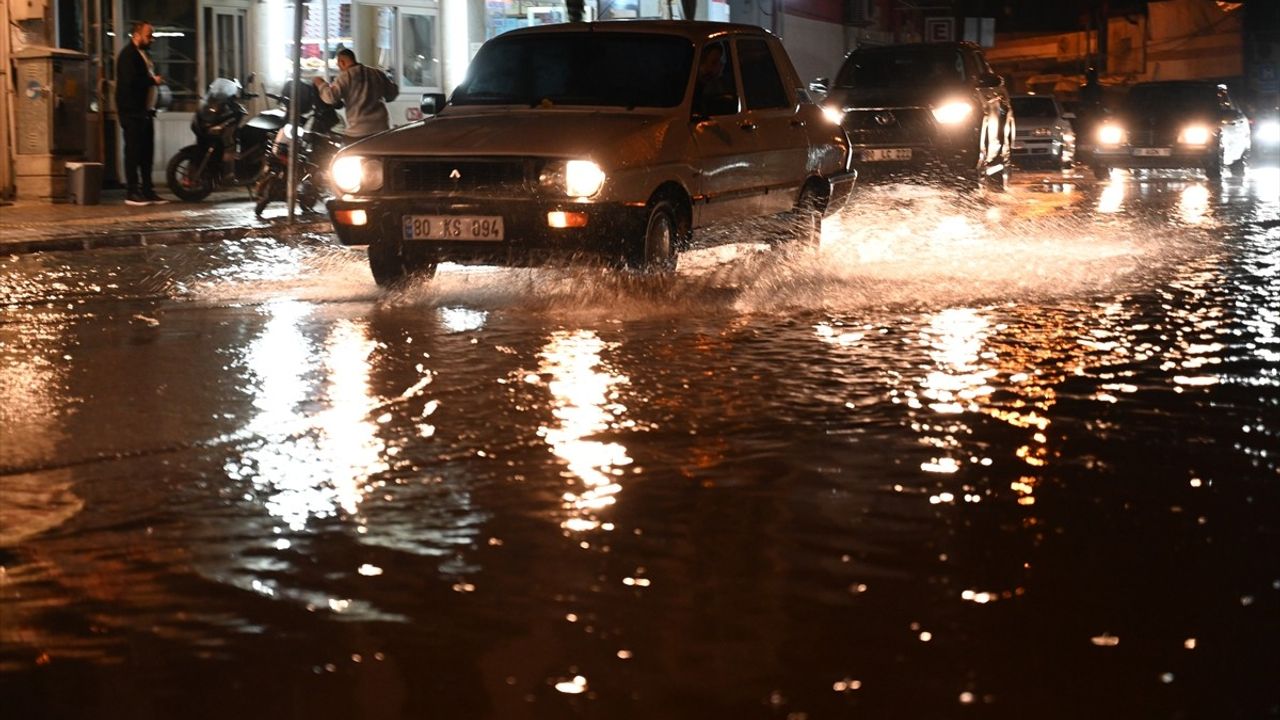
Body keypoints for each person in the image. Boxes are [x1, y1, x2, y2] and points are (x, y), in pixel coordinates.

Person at [115, 20, 168, 205]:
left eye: (152, 35)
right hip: (132, 112)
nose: (151, 39)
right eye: (148, 35)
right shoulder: (128, 55)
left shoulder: (144, 55)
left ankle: (148, 189)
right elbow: (132, 82)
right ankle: (132, 192)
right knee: (133, 151)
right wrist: (153, 81)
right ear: (136, 35)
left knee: (147, 153)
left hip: (146, 112)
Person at [312, 49, 399, 143]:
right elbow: (392, 94)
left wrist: (320, 83)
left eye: (338, 64)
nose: (339, 67)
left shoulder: (346, 76)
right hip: (380, 129)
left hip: (358, 132)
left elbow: (330, 98)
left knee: (345, 154)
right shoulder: (376, 73)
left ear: (342, 62)